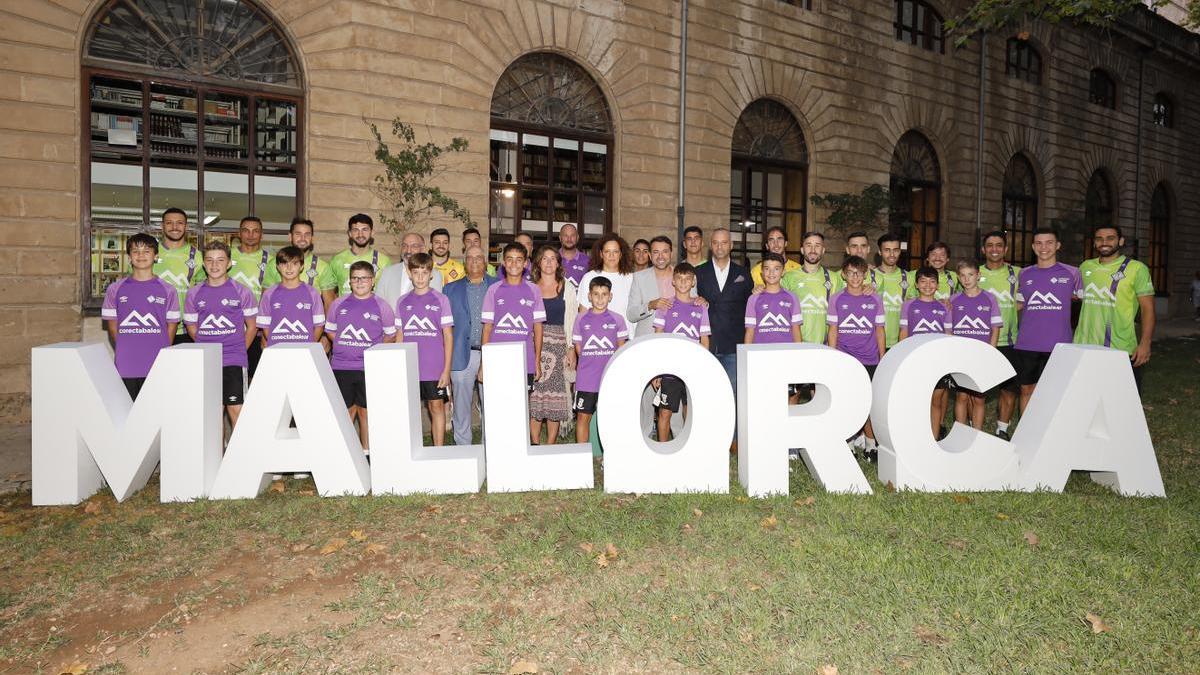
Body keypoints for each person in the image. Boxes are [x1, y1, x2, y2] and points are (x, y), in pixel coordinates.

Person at [183, 241, 257, 432]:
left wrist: (239, 350)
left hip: (234, 360)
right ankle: (217, 459)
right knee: (213, 414)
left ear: (229, 263)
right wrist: (205, 347)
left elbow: (251, 327)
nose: (214, 265)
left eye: (220, 260)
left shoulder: (242, 291)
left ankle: (240, 459)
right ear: (203, 264)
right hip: (206, 361)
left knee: (236, 410)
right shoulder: (194, 293)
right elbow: (191, 325)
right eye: (210, 260)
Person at [325, 261, 397, 451]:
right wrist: (343, 343)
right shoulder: (338, 304)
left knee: (366, 412)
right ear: (350, 281)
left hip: (368, 368)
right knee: (345, 411)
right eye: (355, 278)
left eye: (364, 278)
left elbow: (390, 335)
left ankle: (366, 451)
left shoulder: (382, 306)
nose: (359, 282)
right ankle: (347, 451)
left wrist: (374, 352)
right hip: (342, 366)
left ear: (372, 281)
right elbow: (331, 331)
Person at [1075, 225, 1155, 391]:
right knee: (1086, 399)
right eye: (1099, 239)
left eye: (1110, 238)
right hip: (1083, 347)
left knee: (1123, 404)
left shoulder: (1137, 268)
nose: (1104, 242)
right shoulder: (1085, 267)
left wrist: (1145, 343)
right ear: (1094, 243)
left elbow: (1148, 309)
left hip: (1120, 348)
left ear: (1121, 241)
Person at [102, 233, 180, 400]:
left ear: (156, 256)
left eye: (146, 251)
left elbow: (172, 325)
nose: (141, 255)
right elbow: (112, 326)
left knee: (155, 416)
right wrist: (127, 347)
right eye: (135, 251)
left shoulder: (168, 290)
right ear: (129, 257)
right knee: (126, 414)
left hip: (156, 364)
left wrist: (163, 352)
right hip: (126, 364)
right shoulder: (115, 289)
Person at [1013, 228, 1081, 414]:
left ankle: (1052, 436)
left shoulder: (1073, 273)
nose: (1044, 247)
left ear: (1058, 245)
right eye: (1039, 243)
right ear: (1033, 247)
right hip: (1028, 343)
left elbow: (1084, 302)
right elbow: (1018, 304)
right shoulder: (1024, 274)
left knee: (1055, 392)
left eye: (1049, 242)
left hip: (1059, 344)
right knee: (1026, 389)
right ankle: (1025, 435)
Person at [827, 256, 885, 460]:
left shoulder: (875, 298)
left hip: (870, 359)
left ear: (865, 275)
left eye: (859, 273)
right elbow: (833, 331)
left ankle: (871, 443)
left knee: (868, 404)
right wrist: (833, 357)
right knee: (847, 402)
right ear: (843, 274)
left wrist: (882, 357)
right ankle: (849, 442)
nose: (855, 277)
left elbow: (879, 330)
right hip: (845, 360)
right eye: (850, 272)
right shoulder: (836, 298)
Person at [394, 253, 454, 447]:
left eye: (424, 272)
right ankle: (411, 450)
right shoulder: (402, 301)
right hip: (410, 366)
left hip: (434, 367)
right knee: (409, 410)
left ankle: (438, 451)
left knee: (435, 406)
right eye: (416, 272)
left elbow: (448, 336)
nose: (420, 277)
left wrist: (446, 370)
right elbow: (400, 335)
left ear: (431, 274)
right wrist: (398, 365)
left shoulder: (441, 299)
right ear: (409, 274)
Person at [444, 245, 498, 447]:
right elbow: (446, 327)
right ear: (464, 263)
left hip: (491, 353)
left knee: (490, 404)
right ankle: (463, 446)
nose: (474, 261)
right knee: (461, 405)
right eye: (470, 258)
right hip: (461, 354)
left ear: (485, 261)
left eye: (479, 258)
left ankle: (488, 446)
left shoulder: (498, 286)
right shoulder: (450, 289)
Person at [653, 263, 711, 442]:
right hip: (670, 368)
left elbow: (705, 339)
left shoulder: (700, 306)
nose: (684, 282)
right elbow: (658, 339)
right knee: (665, 411)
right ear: (673, 281)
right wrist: (657, 370)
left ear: (693, 282)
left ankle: (689, 445)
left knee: (691, 409)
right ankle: (662, 448)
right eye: (680, 278)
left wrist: (703, 365)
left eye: (688, 279)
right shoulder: (665, 306)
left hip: (692, 367)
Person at [695, 228, 753, 404]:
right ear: (711, 245)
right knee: (706, 396)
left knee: (733, 395)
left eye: (724, 242)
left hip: (734, 346)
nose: (720, 247)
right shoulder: (698, 272)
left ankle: (733, 433)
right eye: (715, 242)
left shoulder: (743, 273)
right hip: (706, 344)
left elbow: (751, 306)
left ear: (731, 245)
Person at [528, 246, 578, 444]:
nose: (548, 262)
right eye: (544, 258)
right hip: (534, 345)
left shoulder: (567, 287)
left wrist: (571, 348)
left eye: (552, 259)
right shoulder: (529, 287)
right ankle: (535, 443)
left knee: (556, 397)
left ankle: (550, 445)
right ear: (538, 262)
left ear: (558, 263)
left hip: (559, 345)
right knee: (535, 396)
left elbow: (573, 319)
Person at [481, 243, 545, 392]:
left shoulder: (534, 290)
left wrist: (536, 361)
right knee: (497, 405)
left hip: (524, 359)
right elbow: (487, 329)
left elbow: (538, 328)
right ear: (503, 262)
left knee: (522, 407)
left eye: (518, 259)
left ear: (525, 263)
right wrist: (484, 363)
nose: (514, 264)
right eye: (509, 259)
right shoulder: (493, 290)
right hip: (497, 359)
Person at [572, 276, 628, 443]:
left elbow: (621, 348)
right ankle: (582, 459)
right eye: (596, 294)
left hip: (609, 378)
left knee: (610, 420)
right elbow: (578, 348)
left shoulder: (618, 320)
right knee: (583, 417)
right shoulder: (580, 318)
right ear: (589, 296)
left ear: (610, 296)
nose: (600, 298)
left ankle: (609, 458)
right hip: (586, 379)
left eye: (604, 294)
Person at [978, 231, 1021, 439]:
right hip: (979, 342)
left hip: (1010, 340)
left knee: (1009, 388)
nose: (994, 249)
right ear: (983, 249)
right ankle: (971, 425)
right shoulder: (973, 273)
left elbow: (1025, 300)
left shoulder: (1019, 274)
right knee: (975, 388)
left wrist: (1012, 311)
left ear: (1005, 249)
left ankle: (1002, 429)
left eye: (998, 245)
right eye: (990, 245)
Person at [899, 267, 952, 439]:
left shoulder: (944, 307)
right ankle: (916, 436)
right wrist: (902, 357)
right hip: (915, 360)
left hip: (937, 362)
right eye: (923, 281)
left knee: (935, 401)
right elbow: (904, 332)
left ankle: (934, 438)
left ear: (937, 285)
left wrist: (947, 361)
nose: (927, 285)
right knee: (917, 401)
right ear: (916, 284)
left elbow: (948, 336)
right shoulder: (908, 305)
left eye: (932, 281)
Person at [949, 260, 1001, 430]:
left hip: (982, 356)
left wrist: (991, 353)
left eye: (970, 274)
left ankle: (977, 435)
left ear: (978, 275)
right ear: (958, 278)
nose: (967, 279)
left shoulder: (990, 298)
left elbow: (995, 328)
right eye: (962, 275)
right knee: (962, 396)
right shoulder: (953, 300)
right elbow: (948, 331)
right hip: (960, 356)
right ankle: (961, 431)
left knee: (979, 397)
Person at [228, 216, 280, 379]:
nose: (250, 235)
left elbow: (276, 297)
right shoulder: (226, 257)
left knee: (258, 381)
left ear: (261, 235)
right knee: (228, 380)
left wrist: (267, 334)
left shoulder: (272, 261)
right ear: (239, 233)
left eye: (255, 231)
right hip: (229, 329)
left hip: (258, 331)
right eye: (246, 230)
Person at [781, 232, 845, 347]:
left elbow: (844, 308)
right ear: (802, 250)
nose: (813, 249)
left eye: (817, 245)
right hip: (795, 345)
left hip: (825, 345)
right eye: (809, 245)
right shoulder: (789, 277)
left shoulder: (834, 278)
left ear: (823, 250)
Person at [628, 236, 699, 338]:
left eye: (665, 251)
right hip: (648, 341)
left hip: (679, 340)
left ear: (671, 254)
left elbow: (695, 305)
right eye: (656, 252)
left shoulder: (686, 277)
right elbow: (631, 314)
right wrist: (650, 305)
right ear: (650, 255)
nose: (660, 256)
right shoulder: (639, 278)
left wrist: (703, 303)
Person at [256, 246, 326, 346]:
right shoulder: (269, 293)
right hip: (278, 350)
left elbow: (319, 325)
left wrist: (309, 346)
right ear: (278, 267)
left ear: (301, 266)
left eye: (294, 263)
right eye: (284, 263)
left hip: (305, 351)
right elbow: (265, 326)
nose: (289, 268)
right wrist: (275, 344)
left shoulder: (312, 293)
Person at [154, 207, 204, 344]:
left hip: (187, 329)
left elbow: (203, 295)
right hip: (153, 327)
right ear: (162, 226)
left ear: (186, 226)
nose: (174, 227)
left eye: (179, 223)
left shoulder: (198, 257)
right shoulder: (148, 253)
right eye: (169, 223)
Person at [744, 252, 803, 345]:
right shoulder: (753, 299)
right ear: (762, 273)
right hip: (761, 354)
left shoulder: (792, 297)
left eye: (776, 269)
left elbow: (796, 329)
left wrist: (799, 353)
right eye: (767, 269)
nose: (771, 273)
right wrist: (747, 355)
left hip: (786, 353)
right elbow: (749, 331)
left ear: (783, 272)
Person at [375, 232, 445, 307]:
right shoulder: (388, 272)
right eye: (405, 246)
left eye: (414, 246)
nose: (408, 251)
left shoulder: (434, 274)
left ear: (423, 249)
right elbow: (378, 303)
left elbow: (434, 305)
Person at [330, 213, 392, 296]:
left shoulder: (384, 261)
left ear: (372, 232)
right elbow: (329, 293)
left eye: (365, 229)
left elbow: (389, 293)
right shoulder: (337, 260)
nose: (360, 235)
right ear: (350, 233)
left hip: (373, 308)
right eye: (355, 230)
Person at [578, 233, 636, 319]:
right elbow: (583, 312)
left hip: (627, 331)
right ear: (601, 254)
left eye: (615, 252)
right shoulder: (589, 277)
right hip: (597, 331)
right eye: (607, 251)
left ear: (620, 254)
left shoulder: (631, 278)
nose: (611, 256)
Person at [288, 217, 338, 310]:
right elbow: (266, 301)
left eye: (307, 234)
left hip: (311, 323)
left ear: (312, 238)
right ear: (290, 236)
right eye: (298, 234)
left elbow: (329, 304)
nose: (302, 238)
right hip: (280, 322)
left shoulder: (323, 267)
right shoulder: (274, 264)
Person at [874, 233, 910, 350]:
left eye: (895, 250)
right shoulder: (869, 276)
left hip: (900, 342)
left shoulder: (910, 277)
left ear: (900, 251)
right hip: (874, 342)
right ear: (880, 252)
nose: (891, 254)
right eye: (887, 250)